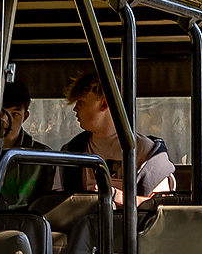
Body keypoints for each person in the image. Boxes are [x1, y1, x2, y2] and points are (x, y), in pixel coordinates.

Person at [58, 73, 175, 203]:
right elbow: (58, 201)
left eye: (81, 103)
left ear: (104, 104)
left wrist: (118, 197)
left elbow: (160, 204)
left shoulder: (148, 153)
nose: (75, 109)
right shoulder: (72, 150)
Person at [0, 80, 56, 206]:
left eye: (15, 114)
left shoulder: (43, 158)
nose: (6, 120)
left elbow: (50, 205)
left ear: (25, 116)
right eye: (1, 112)